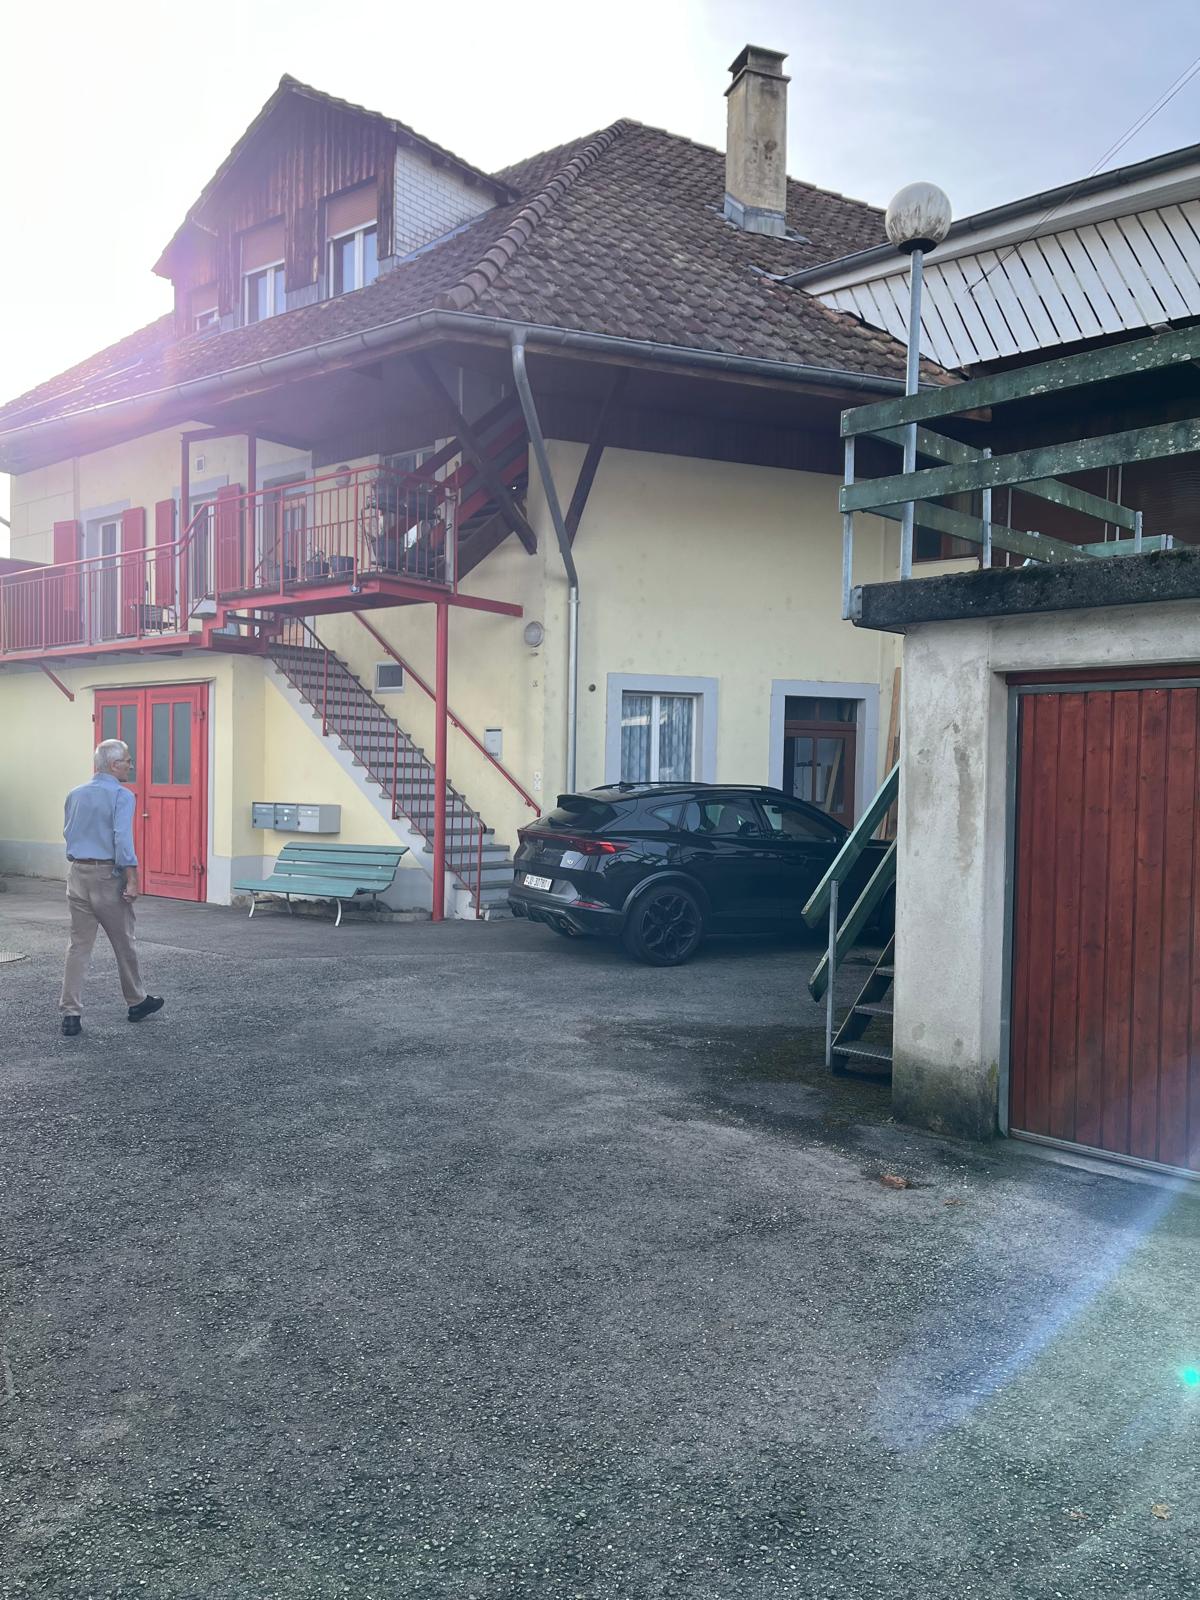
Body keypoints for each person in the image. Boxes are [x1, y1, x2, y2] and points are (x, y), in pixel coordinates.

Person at [60, 739, 164, 1036]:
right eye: (128, 760)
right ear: (114, 765)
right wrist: (132, 878)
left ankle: (70, 1013)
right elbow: (122, 838)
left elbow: (68, 832)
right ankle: (137, 1001)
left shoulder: (75, 794)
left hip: (78, 873)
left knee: (78, 946)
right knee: (124, 941)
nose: (131, 765)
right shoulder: (122, 795)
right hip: (107, 875)